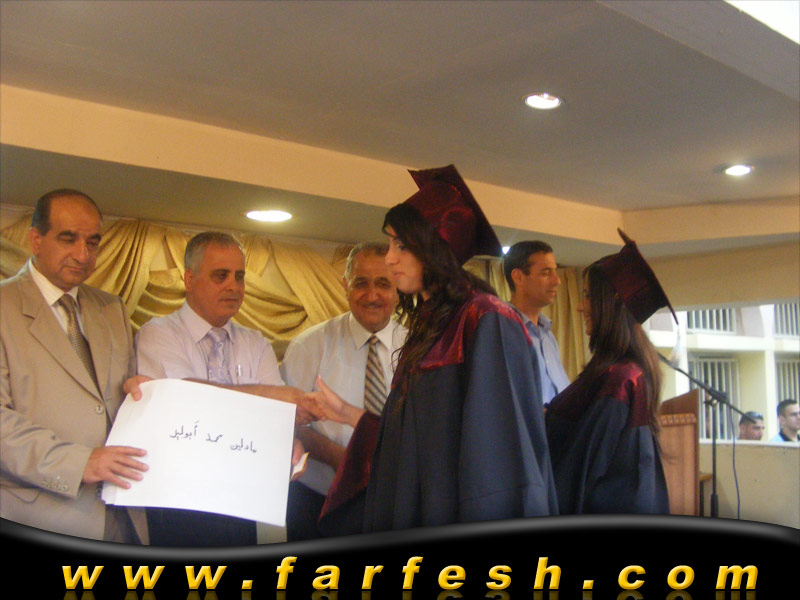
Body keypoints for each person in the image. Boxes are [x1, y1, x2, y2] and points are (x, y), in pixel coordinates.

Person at [315, 165, 558, 532]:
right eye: (390, 244)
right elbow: (421, 437)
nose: (390, 258)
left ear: (435, 248)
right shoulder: (432, 323)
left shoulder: (485, 319)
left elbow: (499, 456)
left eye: (401, 245)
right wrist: (350, 415)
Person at [135, 231, 317, 546]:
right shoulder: (157, 334)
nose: (233, 286)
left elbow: (276, 417)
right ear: (189, 279)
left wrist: (288, 442)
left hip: (243, 502)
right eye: (220, 276)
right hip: (178, 502)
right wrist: (270, 397)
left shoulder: (256, 342)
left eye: (239, 276)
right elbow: (185, 400)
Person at [0, 189, 149, 543]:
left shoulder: (111, 308)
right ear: (36, 240)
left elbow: (119, 398)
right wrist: (80, 462)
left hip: (125, 512)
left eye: (92, 242)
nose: (83, 255)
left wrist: (142, 393)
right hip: (41, 514)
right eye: (69, 239)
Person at [280, 242, 407, 540]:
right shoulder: (308, 346)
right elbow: (285, 423)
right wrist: (344, 460)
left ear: (398, 289)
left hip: (393, 505)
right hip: (317, 504)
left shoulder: (418, 349)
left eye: (383, 284)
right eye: (361, 283)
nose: (372, 295)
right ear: (345, 285)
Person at [545, 229, 673, 514]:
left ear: (611, 303)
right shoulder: (625, 371)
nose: (581, 307)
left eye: (589, 297)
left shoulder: (620, 379)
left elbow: (583, 461)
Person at [503, 241, 571, 405]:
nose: (557, 281)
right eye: (546, 273)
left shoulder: (548, 335)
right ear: (519, 277)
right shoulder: (503, 331)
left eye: (555, 271)